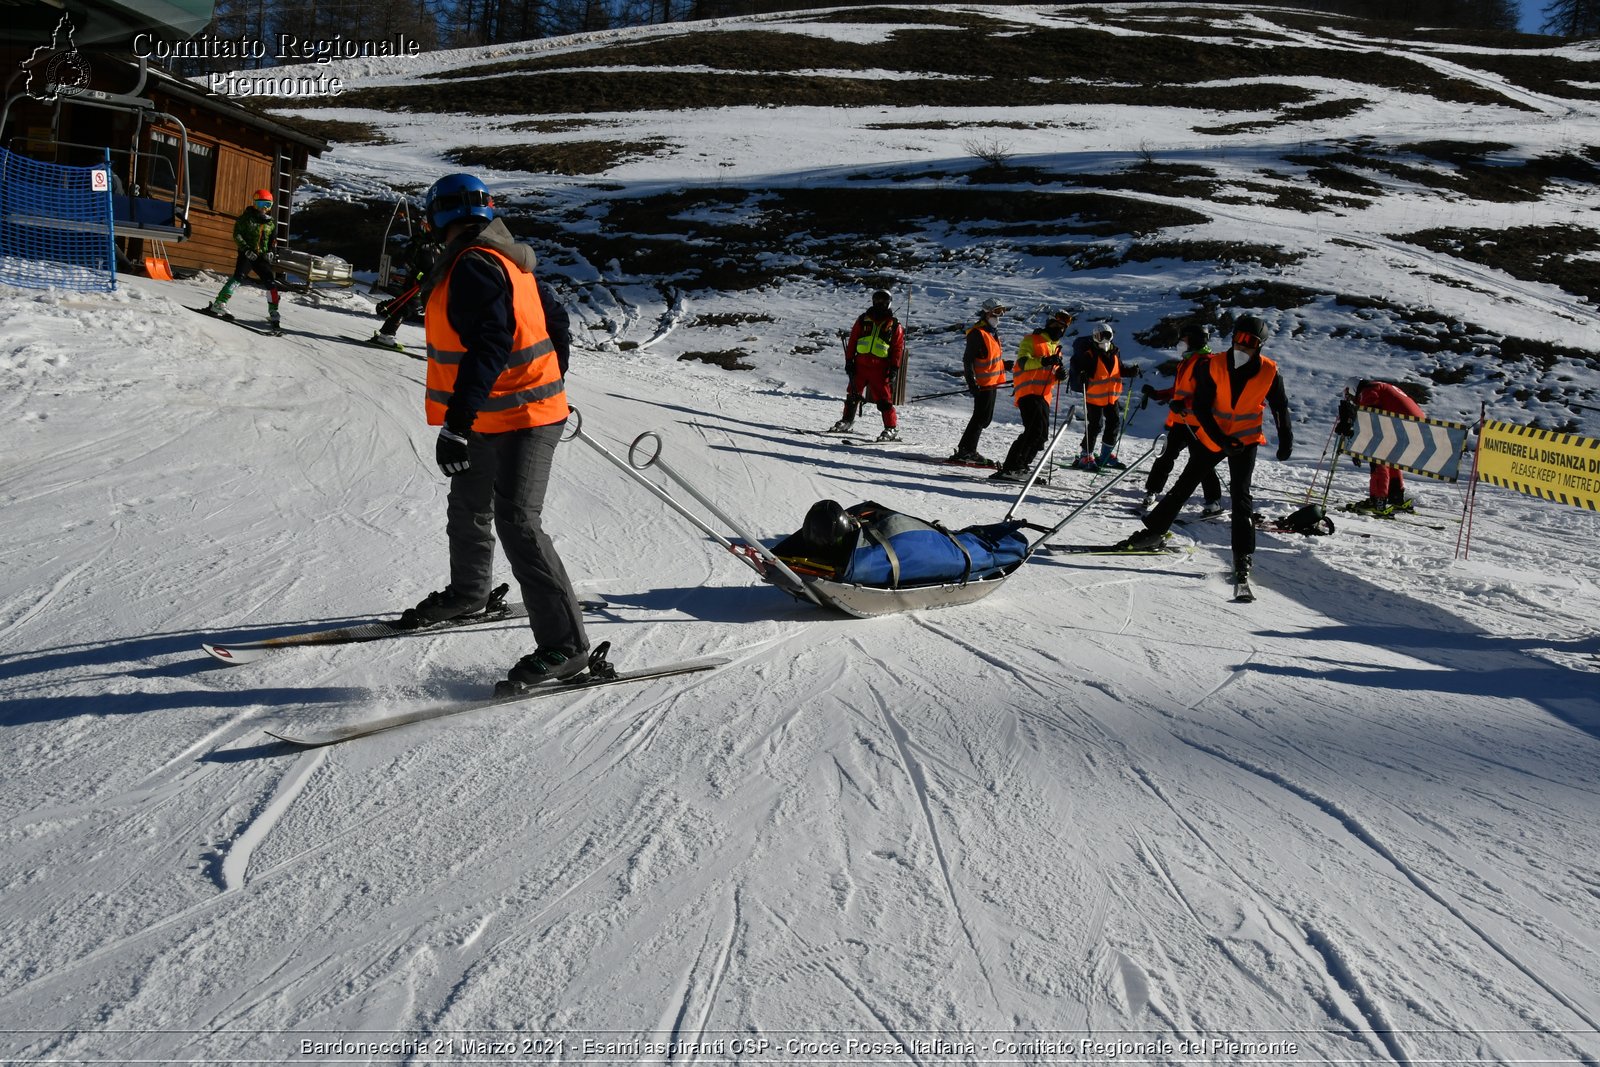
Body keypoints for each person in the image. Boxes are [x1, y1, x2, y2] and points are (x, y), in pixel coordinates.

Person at [399, 172, 590, 687]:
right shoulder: (505, 258)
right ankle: (470, 594)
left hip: (525, 418)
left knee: (517, 521)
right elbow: (557, 322)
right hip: (495, 412)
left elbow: (492, 342)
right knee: (468, 505)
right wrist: (551, 377)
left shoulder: (474, 266)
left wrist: (456, 426)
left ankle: (567, 646)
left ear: (435, 218)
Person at [1118, 313, 1293, 582]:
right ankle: (1153, 533)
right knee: (1184, 486)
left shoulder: (1270, 370)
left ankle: (1242, 555)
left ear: (1259, 345)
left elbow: (1280, 407)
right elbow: (1200, 406)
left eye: (1249, 341)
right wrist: (1221, 439)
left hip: (1245, 442)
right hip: (1213, 438)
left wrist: (1286, 438)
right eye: (1237, 338)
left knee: (1241, 497)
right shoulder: (1214, 365)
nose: (1241, 346)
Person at [1139, 323, 1224, 515]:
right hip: (1180, 420)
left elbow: (1207, 393)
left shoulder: (1206, 363)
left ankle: (1214, 501)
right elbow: (1178, 390)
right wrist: (1157, 394)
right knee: (1165, 456)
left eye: (1183, 339)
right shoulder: (1187, 361)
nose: (1181, 343)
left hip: (1199, 423)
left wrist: (1185, 403)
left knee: (1201, 462)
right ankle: (1152, 491)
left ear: (1193, 339)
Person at [993, 309, 1073, 482]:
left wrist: (1059, 377)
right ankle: (1013, 467)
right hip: (1028, 393)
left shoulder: (1056, 349)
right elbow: (1022, 363)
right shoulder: (1032, 340)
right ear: (1048, 324)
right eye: (1055, 325)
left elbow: (1050, 375)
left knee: (1041, 434)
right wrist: (1044, 361)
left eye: (1062, 328)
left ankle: (1021, 465)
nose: (1058, 330)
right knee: (1034, 430)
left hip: (1043, 396)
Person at [1337, 379, 1425, 512]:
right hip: (1415, 427)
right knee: (1390, 459)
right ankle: (1396, 497)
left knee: (1378, 458)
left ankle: (1378, 500)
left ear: (1353, 388)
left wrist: (1358, 445)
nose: (1351, 400)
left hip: (1404, 425)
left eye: (1349, 395)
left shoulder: (1369, 390)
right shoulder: (1381, 387)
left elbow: (1370, 419)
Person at [830, 289, 904, 442]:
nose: (879, 304)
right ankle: (847, 421)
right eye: (877, 300)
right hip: (860, 364)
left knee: (884, 399)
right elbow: (853, 341)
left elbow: (897, 348)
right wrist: (849, 361)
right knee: (853, 394)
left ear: (889, 303)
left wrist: (894, 368)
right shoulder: (863, 319)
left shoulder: (894, 324)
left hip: (880, 367)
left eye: (883, 301)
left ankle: (891, 428)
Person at [1068, 322, 1140, 470]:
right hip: (1094, 396)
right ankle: (1085, 455)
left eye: (1106, 336)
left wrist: (1130, 372)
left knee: (1113, 423)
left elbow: (1118, 370)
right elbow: (1079, 369)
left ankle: (1106, 455)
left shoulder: (1115, 352)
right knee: (1095, 425)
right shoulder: (1090, 354)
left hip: (1111, 397)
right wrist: (1081, 376)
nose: (1103, 339)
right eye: (1099, 336)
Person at [206, 188, 281, 328]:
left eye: (267, 205)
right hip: (247, 254)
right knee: (238, 277)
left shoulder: (270, 223)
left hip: (261, 257)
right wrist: (246, 249)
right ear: (254, 203)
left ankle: (273, 312)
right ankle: (219, 304)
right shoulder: (246, 218)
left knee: (270, 282)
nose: (263, 208)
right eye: (260, 204)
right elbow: (237, 235)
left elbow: (272, 239)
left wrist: (271, 251)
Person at [951, 297, 1009, 464]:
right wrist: (972, 383)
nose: (1000, 316)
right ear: (987, 312)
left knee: (984, 418)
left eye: (1002, 311)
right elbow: (968, 360)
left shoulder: (992, 333)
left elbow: (989, 358)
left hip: (992, 382)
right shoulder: (978, 333)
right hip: (982, 384)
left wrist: (1005, 365)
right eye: (997, 311)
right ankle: (967, 450)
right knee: (980, 417)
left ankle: (966, 448)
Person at [370, 233, 441, 350]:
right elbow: (407, 262)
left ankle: (437, 342)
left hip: (432, 284)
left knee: (435, 312)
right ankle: (386, 334)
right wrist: (419, 275)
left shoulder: (439, 245)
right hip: (416, 282)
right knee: (407, 306)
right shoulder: (417, 242)